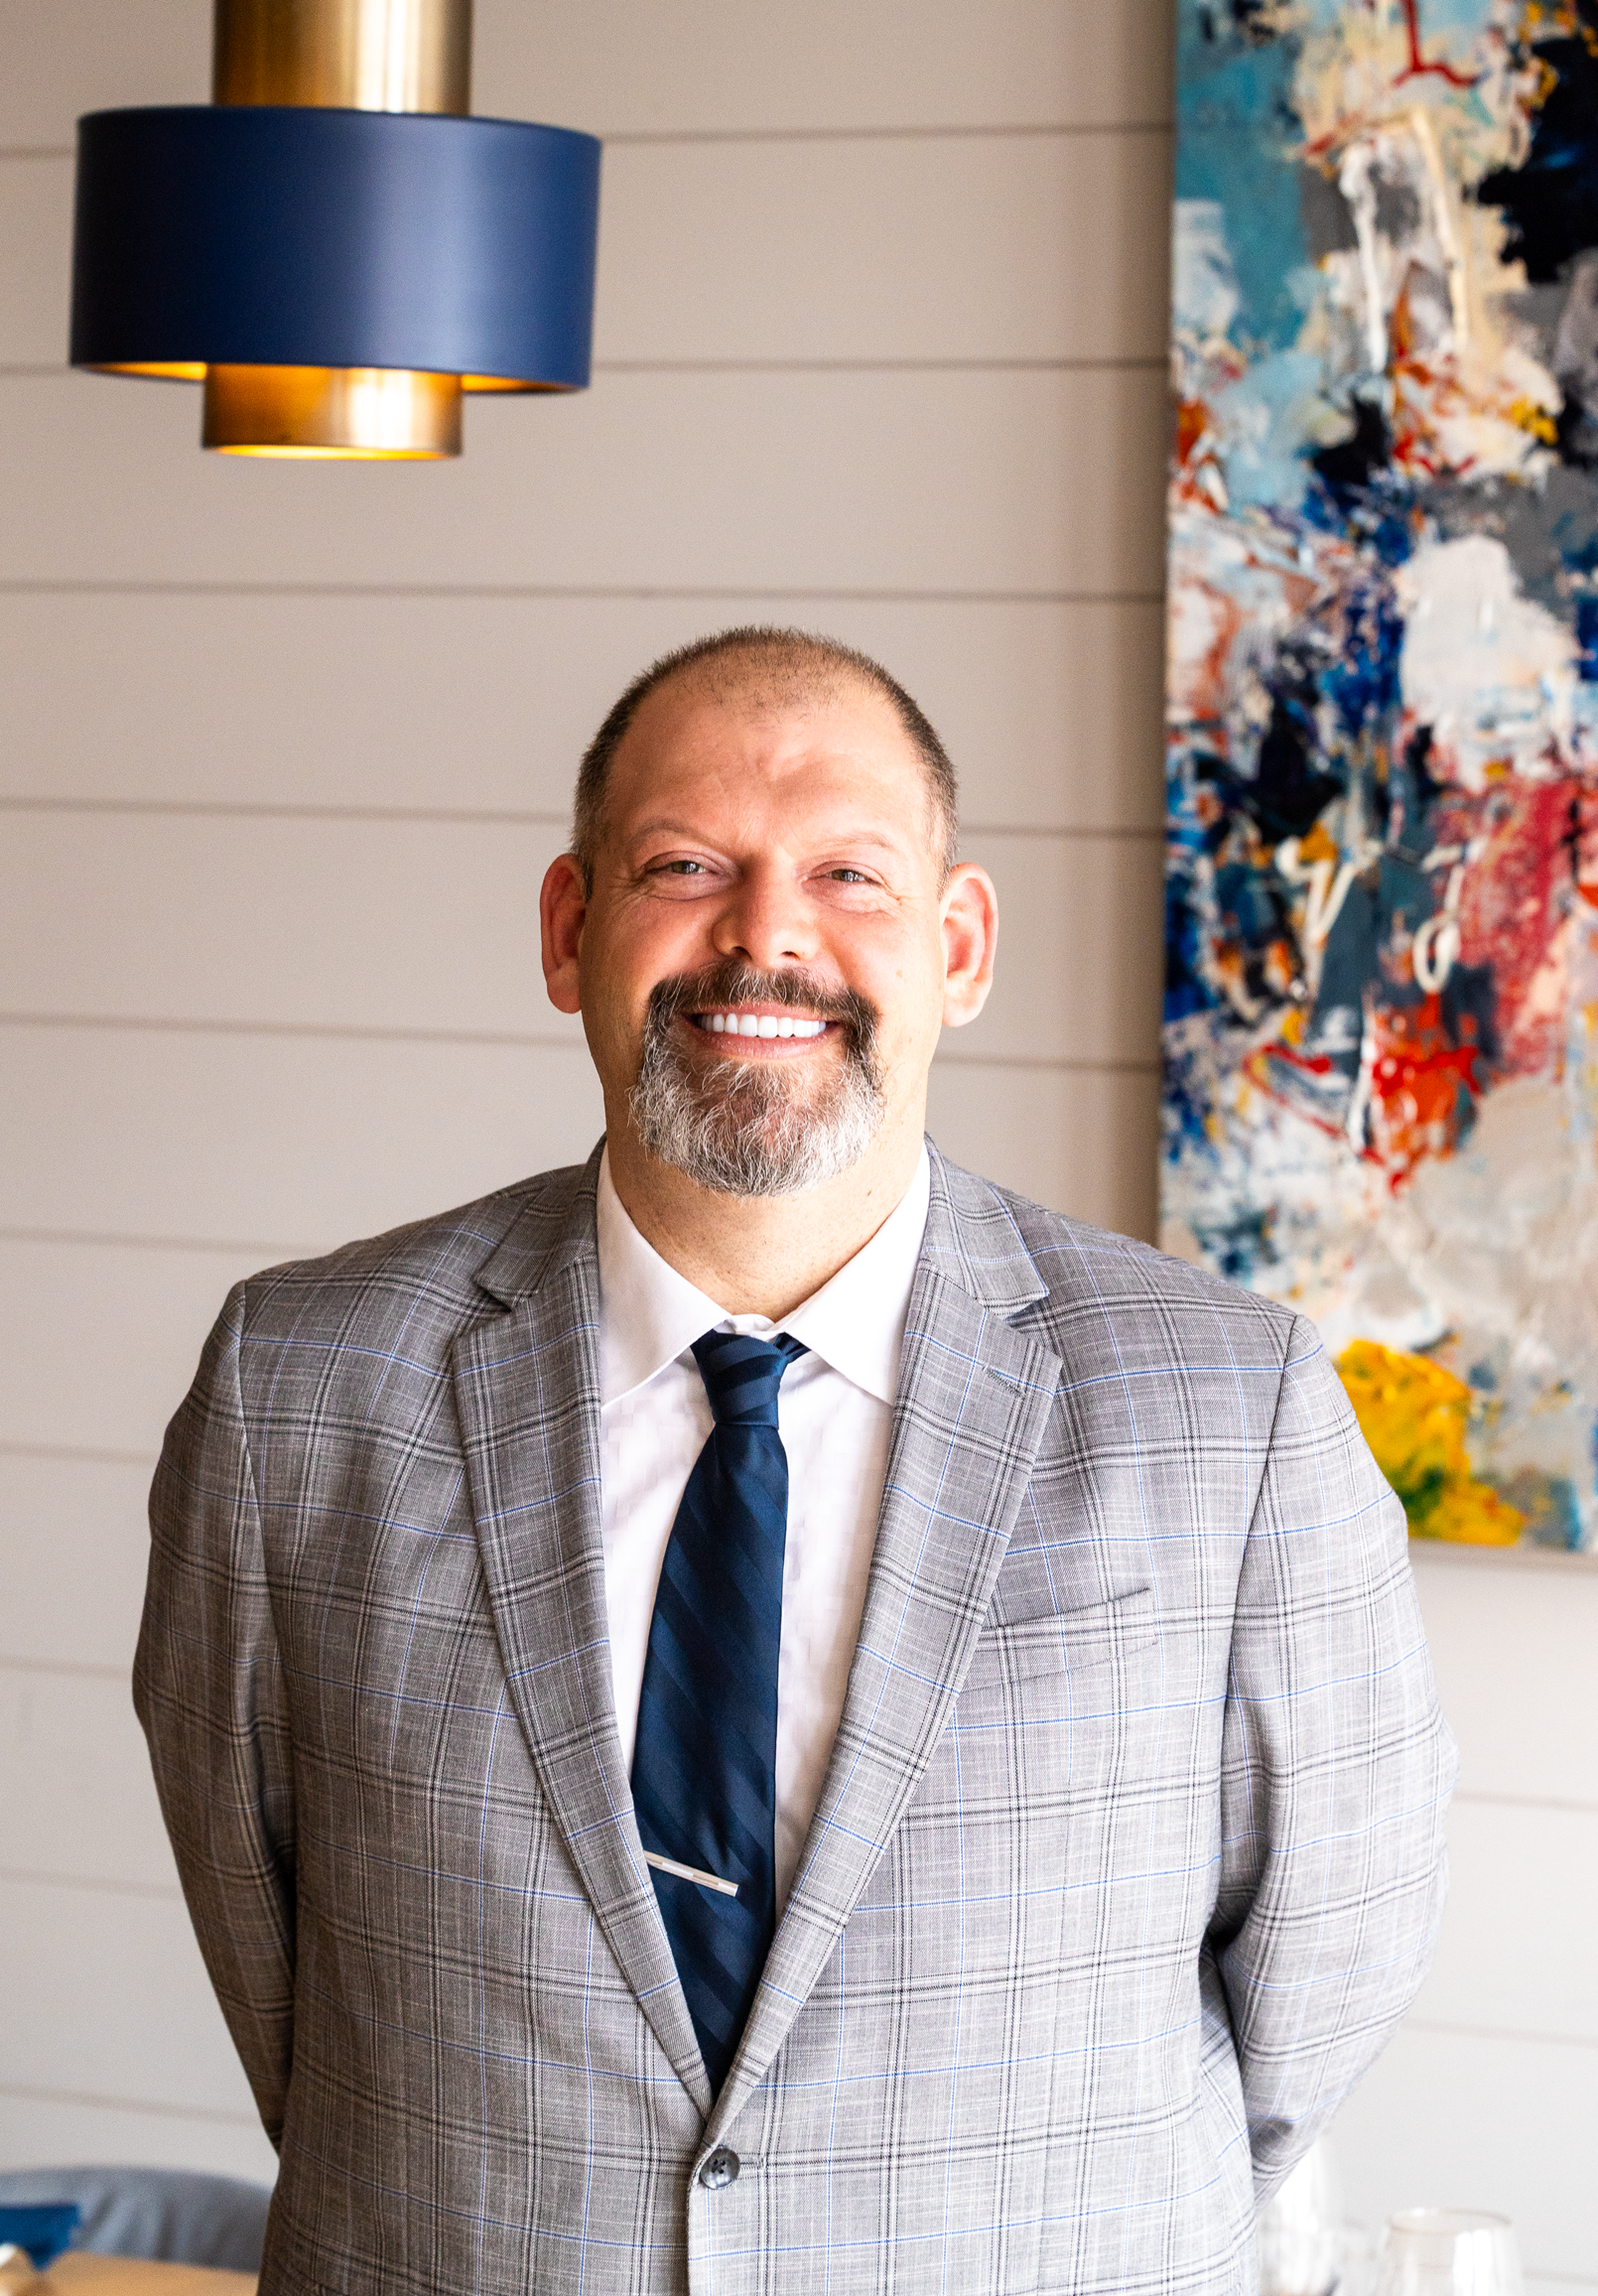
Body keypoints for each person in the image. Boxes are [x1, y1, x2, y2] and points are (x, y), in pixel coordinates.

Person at [136, 627, 1455, 2296]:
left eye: (850, 873)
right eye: (686, 867)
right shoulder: (299, 1388)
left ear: (961, 944)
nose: (767, 935)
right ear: (570, 929)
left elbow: (1324, 1970)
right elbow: (274, 1955)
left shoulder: (1230, 1408)